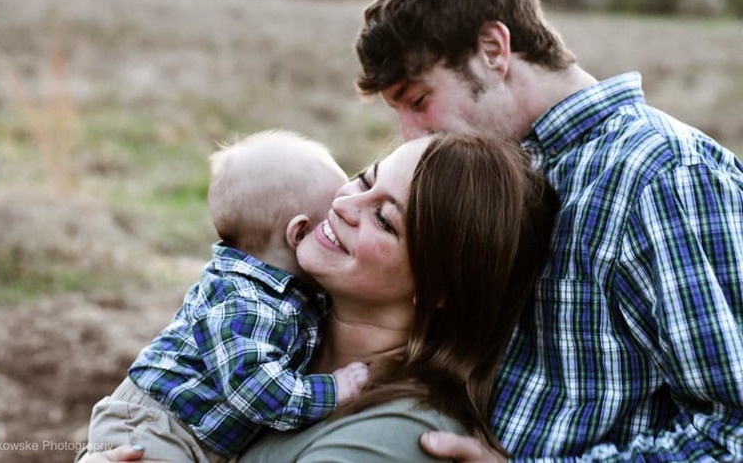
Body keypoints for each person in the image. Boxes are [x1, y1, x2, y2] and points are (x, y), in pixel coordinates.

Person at [355, 0, 743, 461]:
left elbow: (732, 431)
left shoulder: (663, 177)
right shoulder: (498, 174)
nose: (409, 134)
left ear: (493, 49)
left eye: (419, 100)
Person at [78, 131, 559, 462]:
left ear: (438, 292)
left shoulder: (393, 437)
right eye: (365, 179)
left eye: (384, 219)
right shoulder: (282, 322)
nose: (344, 205)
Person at [85, 130, 368, 462]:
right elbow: (258, 392)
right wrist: (334, 389)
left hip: (193, 434)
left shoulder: (295, 293)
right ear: (299, 232)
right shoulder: (243, 303)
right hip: (153, 427)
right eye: (333, 220)